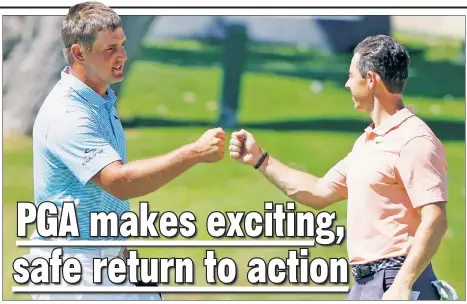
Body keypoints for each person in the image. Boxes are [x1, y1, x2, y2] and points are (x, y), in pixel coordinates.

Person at [28, 1, 226, 300]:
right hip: (73, 271)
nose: (122, 55)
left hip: (107, 260)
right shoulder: (67, 115)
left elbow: (106, 201)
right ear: (79, 52)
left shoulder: (100, 99)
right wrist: (194, 153)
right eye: (110, 49)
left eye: (122, 44)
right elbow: (118, 182)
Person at [229, 35, 449, 300]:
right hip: (365, 283)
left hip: (397, 280)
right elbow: (318, 191)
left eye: (351, 75)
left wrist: (403, 283)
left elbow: (435, 219)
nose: (346, 83)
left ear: (371, 80)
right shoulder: (369, 141)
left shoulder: (414, 140)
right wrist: (260, 159)